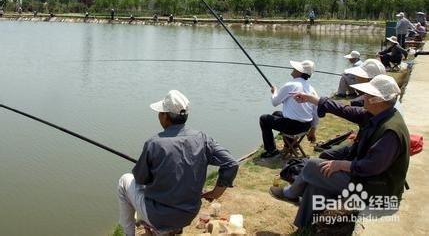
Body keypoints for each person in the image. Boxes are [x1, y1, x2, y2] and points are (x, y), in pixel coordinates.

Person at [269, 74, 410, 229]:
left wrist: (342, 165)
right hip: (368, 180)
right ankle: (305, 228)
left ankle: (291, 193)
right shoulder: (376, 116)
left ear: (377, 100)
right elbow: (343, 109)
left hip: (377, 189)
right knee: (317, 184)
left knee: (313, 165)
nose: (363, 97)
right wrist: (311, 99)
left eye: (367, 95)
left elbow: (372, 167)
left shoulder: (390, 131)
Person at [117, 90, 239, 236]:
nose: (159, 116)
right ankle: (169, 230)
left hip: (160, 216)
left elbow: (141, 179)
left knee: (124, 181)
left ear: (165, 116)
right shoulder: (203, 139)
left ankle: (130, 234)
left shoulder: (154, 143)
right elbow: (231, 163)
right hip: (189, 214)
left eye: (161, 112)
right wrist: (216, 193)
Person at [259, 60, 319, 158]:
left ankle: (271, 150)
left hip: (292, 126)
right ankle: (291, 145)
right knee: (277, 113)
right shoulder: (311, 88)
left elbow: (275, 102)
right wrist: (313, 129)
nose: (293, 69)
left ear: (299, 71)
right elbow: (316, 111)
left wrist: (274, 92)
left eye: (295, 68)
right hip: (305, 126)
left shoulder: (291, 85)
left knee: (264, 119)